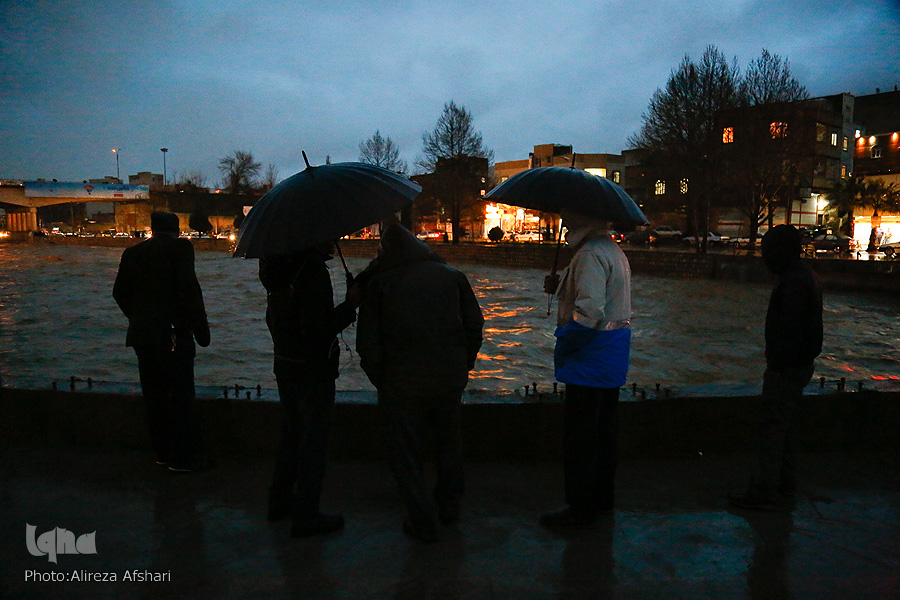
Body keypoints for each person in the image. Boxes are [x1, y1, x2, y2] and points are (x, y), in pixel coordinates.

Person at [355, 223, 484, 543]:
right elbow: (474, 324)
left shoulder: (379, 284)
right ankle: (449, 503)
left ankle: (421, 516)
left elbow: (368, 342)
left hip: (401, 380)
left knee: (405, 452)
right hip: (449, 377)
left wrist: (381, 378)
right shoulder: (452, 276)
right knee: (448, 441)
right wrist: (464, 363)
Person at [540, 209, 632, 529]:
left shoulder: (589, 254)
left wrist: (566, 342)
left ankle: (580, 509)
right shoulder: (611, 250)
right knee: (604, 434)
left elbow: (590, 310)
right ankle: (602, 500)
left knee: (580, 438)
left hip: (590, 358)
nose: (565, 220)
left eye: (569, 215)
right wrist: (560, 287)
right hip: (611, 355)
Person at [259, 242, 357, 537]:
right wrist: (350, 306)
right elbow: (317, 330)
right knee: (314, 441)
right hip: (312, 369)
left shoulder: (276, 266)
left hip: (285, 363)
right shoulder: (312, 270)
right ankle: (306, 514)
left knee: (292, 434)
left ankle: (279, 501)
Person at [729, 224, 823, 510]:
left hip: (787, 366)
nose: (764, 258)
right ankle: (784, 484)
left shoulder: (792, 283)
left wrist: (777, 364)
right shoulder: (805, 277)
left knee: (773, 428)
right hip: (799, 364)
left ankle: (765, 490)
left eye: (767, 251)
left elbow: (789, 329)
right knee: (787, 427)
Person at [113, 211, 211, 473]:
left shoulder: (132, 253)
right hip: (174, 334)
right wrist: (201, 331)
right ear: (176, 231)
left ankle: (162, 453)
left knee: (154, 396)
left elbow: (119, 292)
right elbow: (190, 290)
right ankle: (182, 459)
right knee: (181, 396)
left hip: (143, 336)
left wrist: (138, 318)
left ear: (153, 229)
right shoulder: (181, 248)